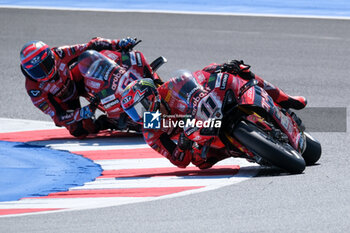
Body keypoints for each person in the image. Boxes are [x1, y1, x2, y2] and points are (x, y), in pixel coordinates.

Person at [120, 60, 307, 169]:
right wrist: (184, 144)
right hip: (199, 134)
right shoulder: (151, 130)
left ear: (150, 96)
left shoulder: (170, 88)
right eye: (133, 113)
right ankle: (251, 150)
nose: (140, 116)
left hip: (210, 106)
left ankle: (285, 98)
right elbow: (179, 161)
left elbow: (199, 76)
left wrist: (219, 68)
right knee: (200, 160)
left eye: (139, 108)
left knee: (239, 72)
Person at [20, 37, 137, 138]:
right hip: (66, 102)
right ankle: (108, 122)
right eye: (36, 71)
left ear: (51, 57)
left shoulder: (60, 53)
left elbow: (92, 45)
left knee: (91, 59)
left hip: (76, 80)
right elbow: (58, 117)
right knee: (80, 131)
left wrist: (118, 43)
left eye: (45, 65)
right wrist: (82, 113)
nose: (43, 73)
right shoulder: (34, 89)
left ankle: (130, 76)